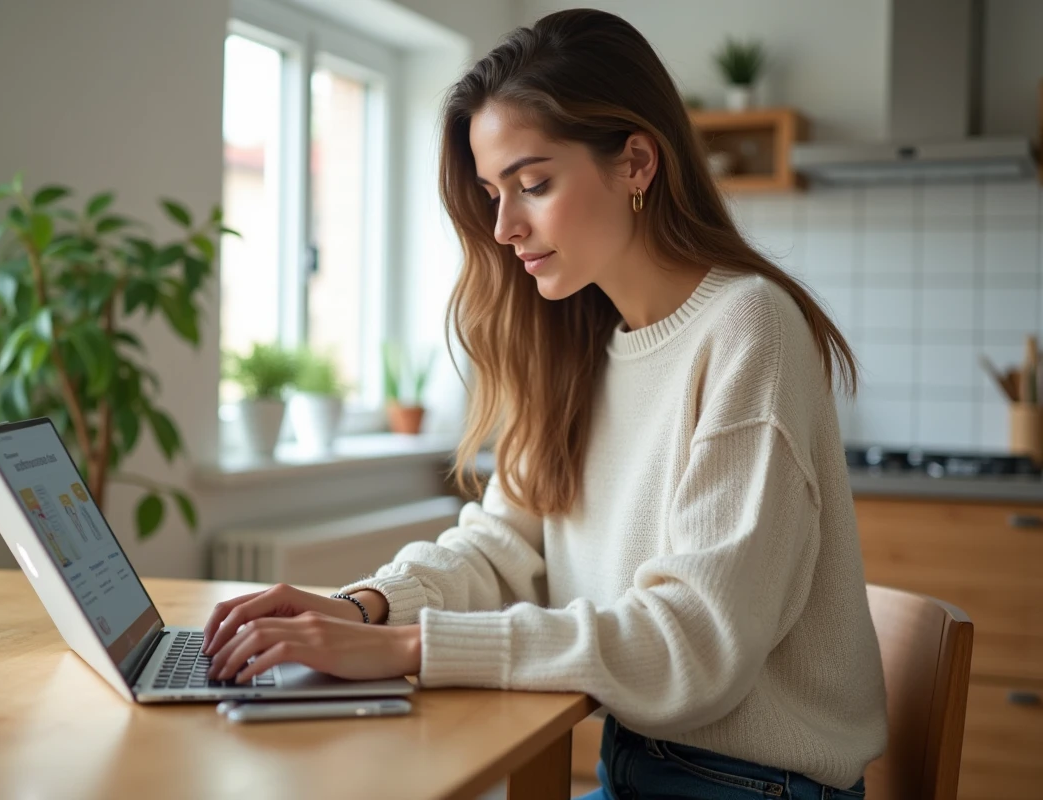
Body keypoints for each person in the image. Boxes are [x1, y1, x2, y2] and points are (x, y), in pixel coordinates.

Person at [202, 8, 887, 798]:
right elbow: (500, 548)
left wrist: (409, 648)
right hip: (633, 765)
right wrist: (365, 607)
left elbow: (693, 649)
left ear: (636, 163)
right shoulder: (574, 342)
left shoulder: (749, 329)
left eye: (533, 184)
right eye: (494, 192)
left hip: (749, 786)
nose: (503, 226)